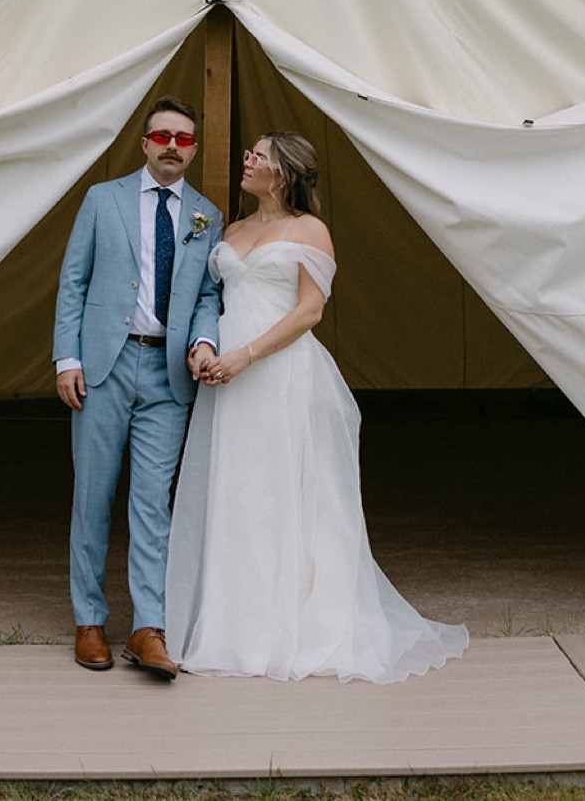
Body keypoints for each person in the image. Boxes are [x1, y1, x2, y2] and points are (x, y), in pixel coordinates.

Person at [165, 131, 469, 683]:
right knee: (232, 491)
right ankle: (231, 628)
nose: (247, 160)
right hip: (225, 374)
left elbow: (309, 312)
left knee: (280, 492)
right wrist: (208, 349)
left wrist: (246, 356)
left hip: (276, 371)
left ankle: (283, 630)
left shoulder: (312, 232)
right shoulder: (231, 230)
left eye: (257, 155)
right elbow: (214, 298)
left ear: (282, 172)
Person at [52, 95, 223, 681]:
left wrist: (204, 341)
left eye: (183, 138)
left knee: (152, 503)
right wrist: (66, 358)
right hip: (104, 365)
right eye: (162, 137)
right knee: (93, 496)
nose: (172, 146)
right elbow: (73, 280)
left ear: (194, 149)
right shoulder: (104, 200)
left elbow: (207, 295)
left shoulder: (207, 214)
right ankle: (90, 620)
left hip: (169, 374)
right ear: (145, 143)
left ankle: (148, 626)